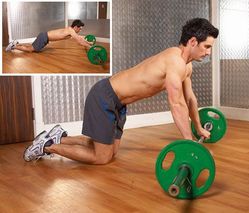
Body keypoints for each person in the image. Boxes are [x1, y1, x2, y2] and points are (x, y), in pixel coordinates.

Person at [23, 18, 219, 164]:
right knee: (102, 158)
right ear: (193, 42)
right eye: (207, 46)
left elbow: (190, 99)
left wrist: (199, 128)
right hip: (105, 95)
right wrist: (188, 142)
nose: (209, 52)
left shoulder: (186, 66)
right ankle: (46, 146)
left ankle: (59, 137)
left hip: (119, 103)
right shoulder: (174, 61)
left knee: (110, 150)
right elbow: (176, 103)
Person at [5, 19, 92, 52]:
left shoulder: (70, 30)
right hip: (44, 37)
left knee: (31, 46)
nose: (80, 30)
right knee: (30, 50)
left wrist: (89, 43)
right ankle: (14, 46)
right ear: (76, 27)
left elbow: (80, 38)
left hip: (44, 37)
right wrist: (91, 48)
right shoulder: (71, 30)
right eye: (80, 28)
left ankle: (16, 43)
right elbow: (79, 41)